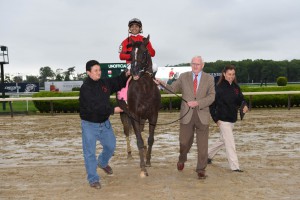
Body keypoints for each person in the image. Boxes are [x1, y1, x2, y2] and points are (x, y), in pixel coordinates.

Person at [154, 56, 215, 179]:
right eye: (193, 64)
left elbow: (212, 97)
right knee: (184, 143)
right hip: (186, 115)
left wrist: (198, 103)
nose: (195, 66)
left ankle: (201, 169)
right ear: (190, 64)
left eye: (198, 64)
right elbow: (172, 89)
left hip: (202, 115)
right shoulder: (183, 76)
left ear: (202, 65)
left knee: (202, 146)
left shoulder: (209, 79)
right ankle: (182, 158)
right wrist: (161, 83)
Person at [79, 60, 130, 189]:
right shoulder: (85, 88)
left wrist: (127, 73)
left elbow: (117, 81)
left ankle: (102, 162)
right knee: (89, 153)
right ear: (88, 72)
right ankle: (93, 179)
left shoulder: (104, 83)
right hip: (89, 125)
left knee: (111, 146)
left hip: (104, 123)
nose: (98, 73)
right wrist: (113, 110)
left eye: (99, 70)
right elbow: (94, 106)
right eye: (95, 70)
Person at [117, 18, 156, 157]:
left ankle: (154, 98)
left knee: (154, 70)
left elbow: (153, 53)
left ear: (140, 28)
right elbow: (121, 55)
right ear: (129, 28)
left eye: (137, 27)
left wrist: (146, 48)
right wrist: (132, 55)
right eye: (132, 27)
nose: (134, 29)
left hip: (143, 65)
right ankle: (123, 98)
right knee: (126, 77)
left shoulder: (145, 39)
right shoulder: (125, 41)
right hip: (131, 64)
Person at [208, 64, 248, 172]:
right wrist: (216, 119)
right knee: (230, 143)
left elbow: (241, 99)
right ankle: (235, 167)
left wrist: (245, 106)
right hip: (222, 120)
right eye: (229, 74)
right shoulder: (218, 88)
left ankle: (206, 156)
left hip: (232, 119)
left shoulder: (236, 87)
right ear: (224, 74)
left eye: (233, 74)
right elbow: (211, 105)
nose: (231, 76)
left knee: (222, 140)